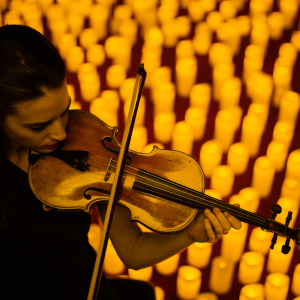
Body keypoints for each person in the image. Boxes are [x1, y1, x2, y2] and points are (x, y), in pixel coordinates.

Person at [0, 24, 242, 300]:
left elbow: (133, 250)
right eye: (38, 126)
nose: (61, 133)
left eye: (64, 111)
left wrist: (188, 235)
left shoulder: (83, 138)